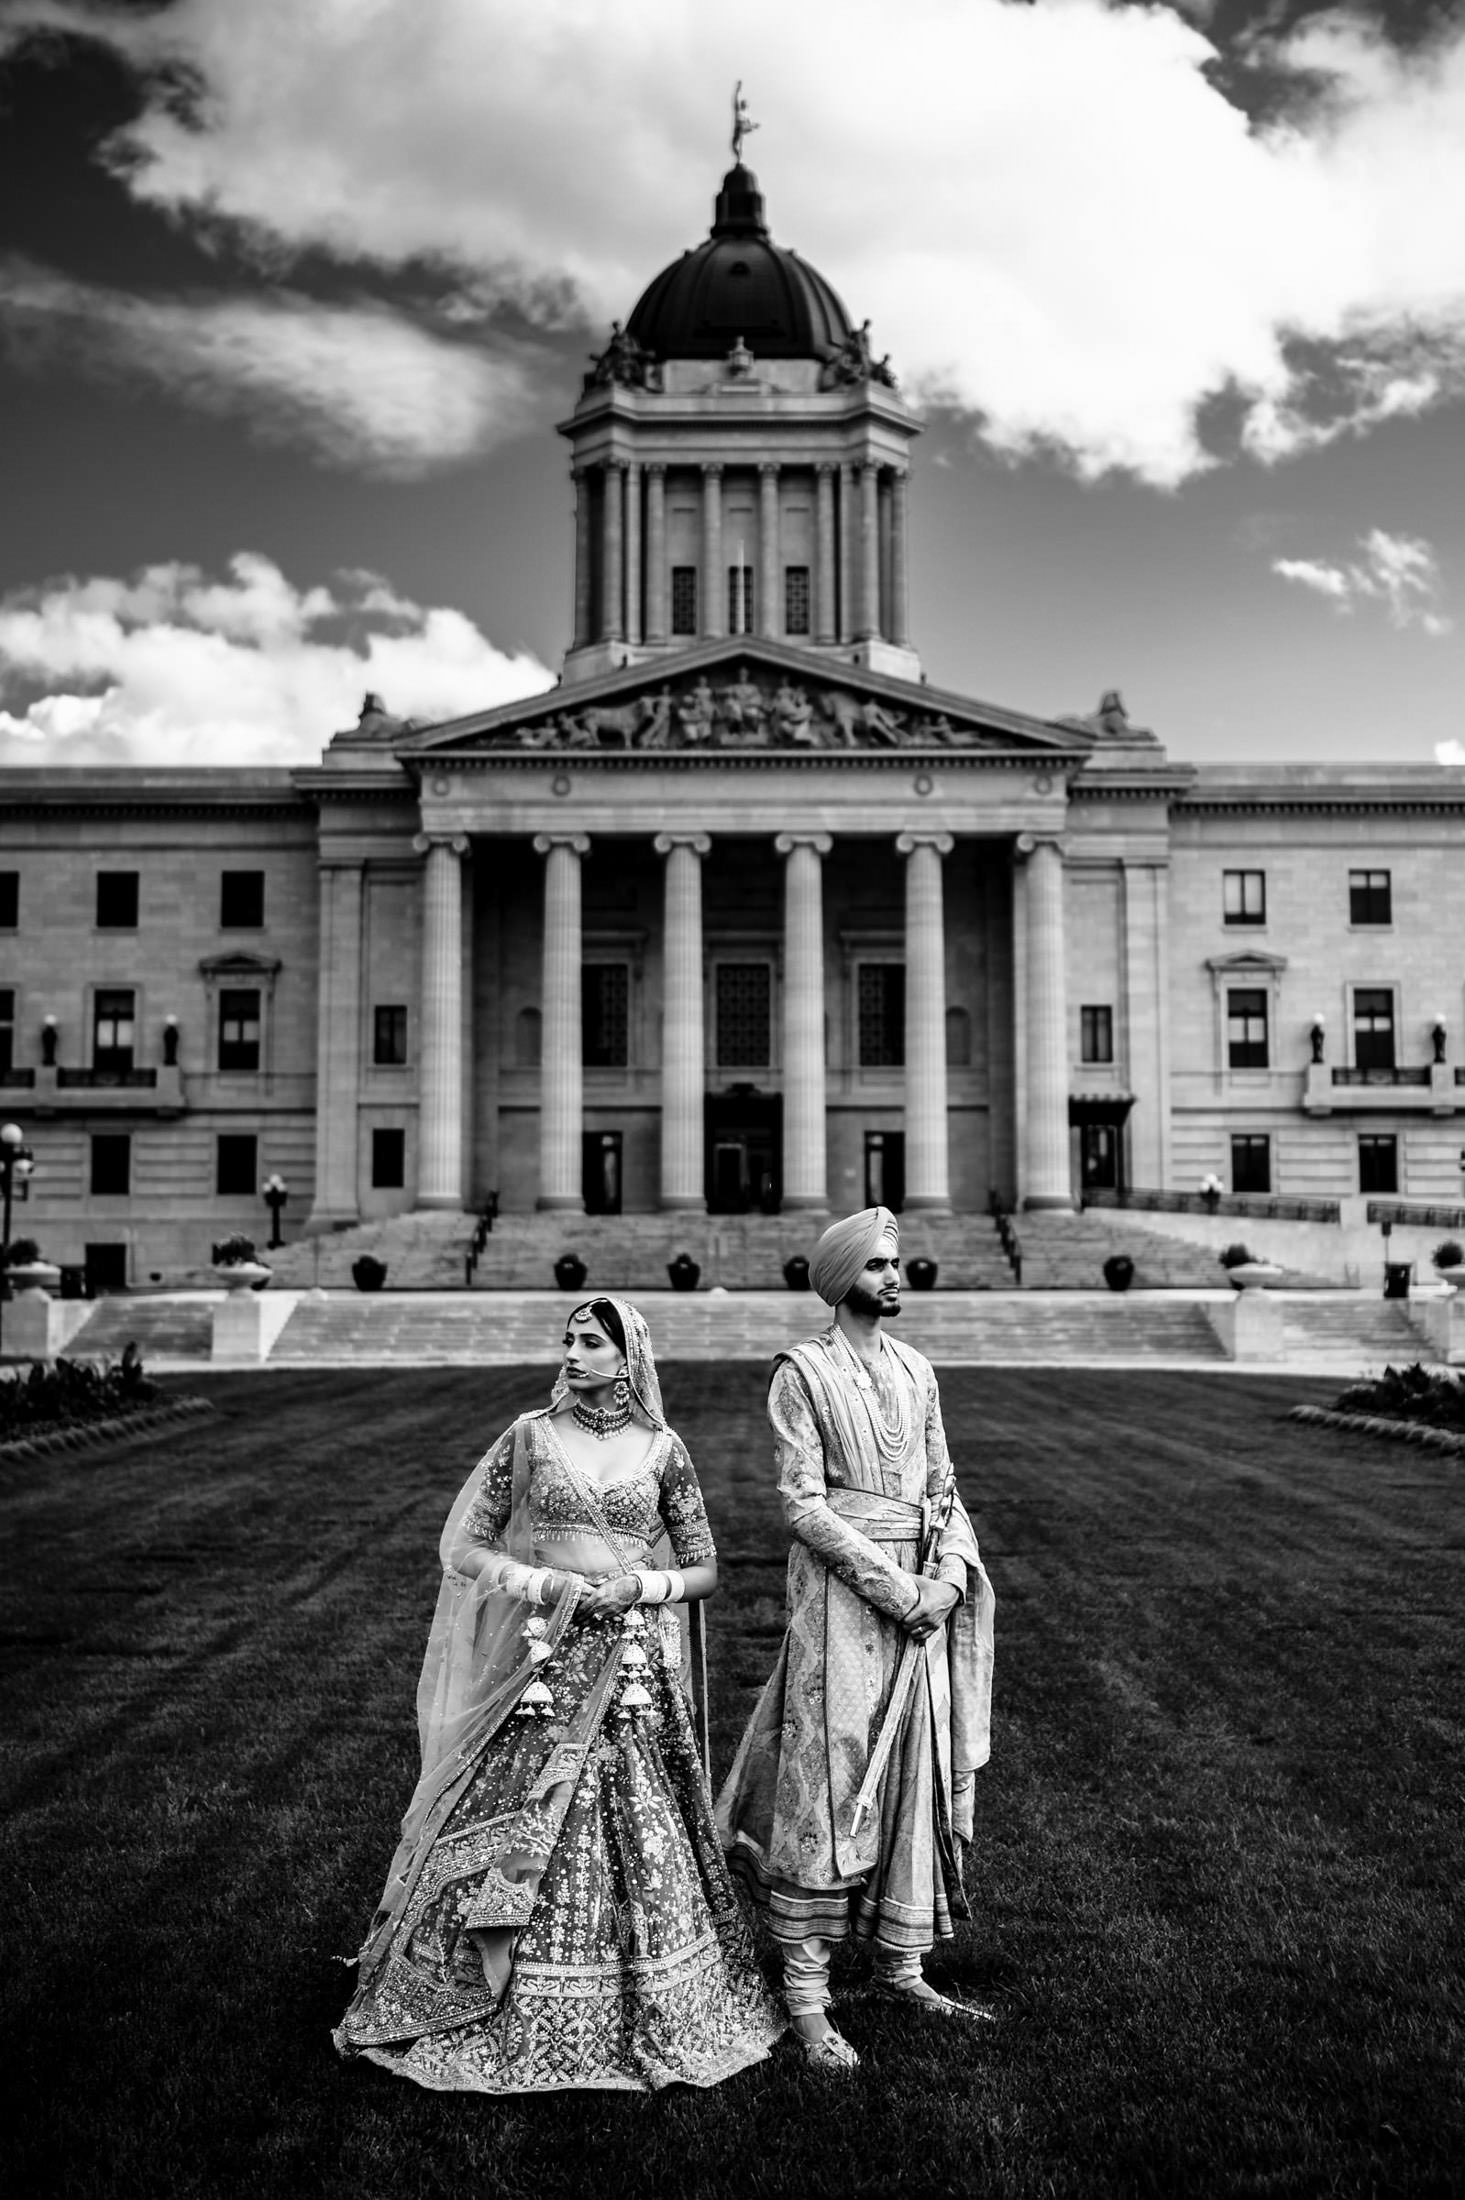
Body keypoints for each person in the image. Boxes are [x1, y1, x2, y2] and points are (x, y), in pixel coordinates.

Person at [335, 1297, 784, 2093]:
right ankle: (481, 1977)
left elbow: (706, 1568)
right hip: (543, 1664)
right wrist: (543, 1581)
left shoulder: (664, 1450)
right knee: (519, 1800)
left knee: (638, 1807)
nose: (572, 1354)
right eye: (568, 1341)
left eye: (591, 1343)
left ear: (627, 1358)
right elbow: (462, 1545)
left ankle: (650, 1992)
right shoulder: (529, 1436)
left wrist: (642, 1585)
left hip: (633, 1664)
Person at [716, 1208, 996, 2071]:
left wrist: (946, 1580)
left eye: (896, 1261)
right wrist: (891, 1585)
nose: (893, 1276)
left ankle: (903, 1964)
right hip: (842, 1600)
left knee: (916, 1764)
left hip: (921, 1596)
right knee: (828, 1780)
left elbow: (944, 1486)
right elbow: (801, 1503)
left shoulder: (917, 1368)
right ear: (840, 1279)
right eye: (876, 1264)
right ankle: (805, 1994)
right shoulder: (800, 1371)